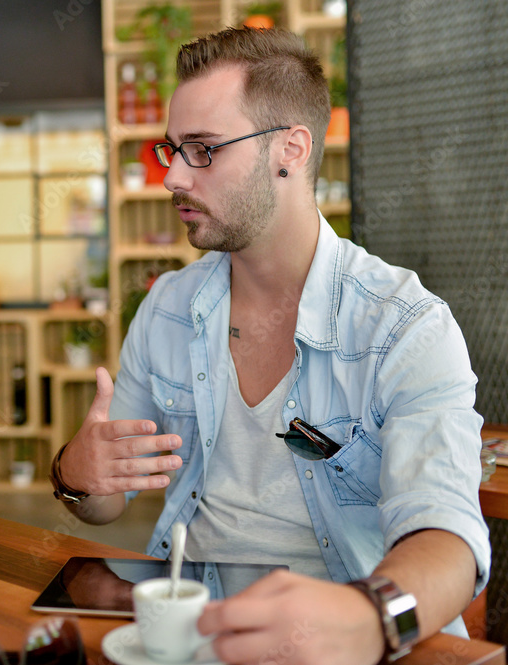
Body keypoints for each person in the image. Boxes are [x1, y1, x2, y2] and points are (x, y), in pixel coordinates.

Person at [49, 28, 489, 665]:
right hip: (188, 632)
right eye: (172, 149)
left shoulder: (404, 326)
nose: (171, 176)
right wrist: (77, 476)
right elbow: (105, 505)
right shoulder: (168, 308)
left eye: (202, 150)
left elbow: (448, 537)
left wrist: (370, 617)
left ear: (291, 148)